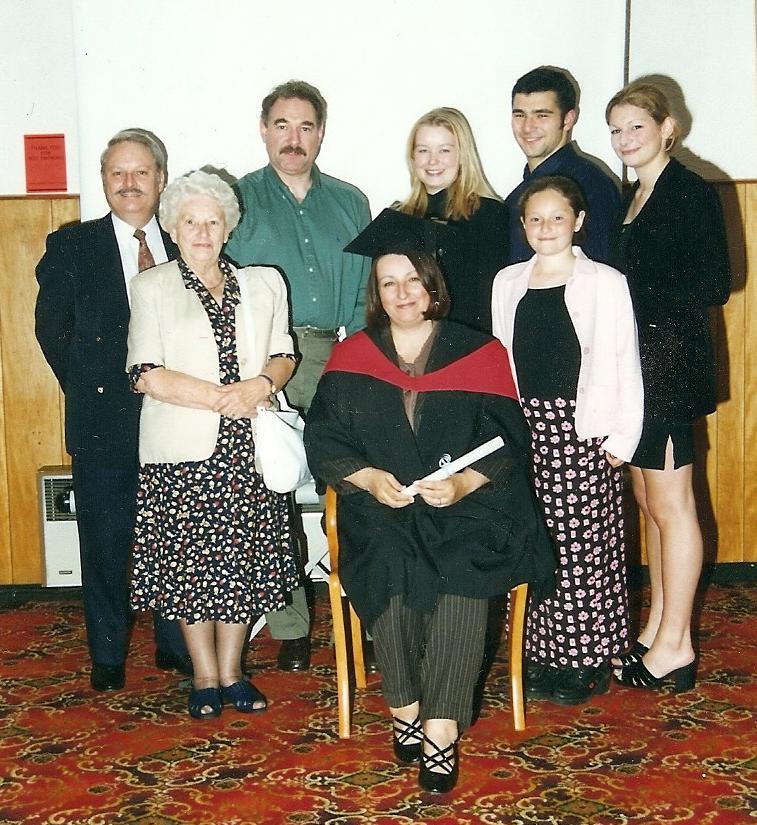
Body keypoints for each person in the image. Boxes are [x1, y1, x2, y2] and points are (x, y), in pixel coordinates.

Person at [304, 210, 555, 793]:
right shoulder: (352, 357)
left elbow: (509, 441)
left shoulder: (480, 351)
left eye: (412, 280)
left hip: (469, 507)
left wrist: (466, 483)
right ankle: (405, 705)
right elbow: (325, 436)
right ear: (377, 292)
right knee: (390, 561)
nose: (401, 293)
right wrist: (366, 478)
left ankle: (440, 730)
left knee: (463, 570)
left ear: (431, 284)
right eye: (388, 283)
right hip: (383, 507)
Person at [126, 170, 300, 718]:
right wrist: (221, 397)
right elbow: (145, 373)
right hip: (183, 450)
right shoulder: (151, 287)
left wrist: (261, 386)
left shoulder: (264, 283)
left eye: (213, 220)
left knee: (242, 564)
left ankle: (233, 672)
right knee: (190, 568)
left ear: (229, 227)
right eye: (190, 221)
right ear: (173, 229)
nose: (202, 231)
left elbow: (285, 353)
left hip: (249, 445)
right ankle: (203, 676)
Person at [35, 128, 190, 692]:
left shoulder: (184, 242)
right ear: (104, 182)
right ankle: (107, 653)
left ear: (160, 180)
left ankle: (174, 644)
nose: (129, 184)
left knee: (174, 533)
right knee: (104, 538)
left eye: (140, 172)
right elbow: (52, 332)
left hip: (175, 419)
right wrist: (91, 389)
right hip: (103, 420)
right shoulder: (72, 246)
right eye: (117, 174)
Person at [225, 79, 372, 672]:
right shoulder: (237, 199)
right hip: (267, 361)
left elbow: (366, 288)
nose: (294, 139)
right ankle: (290, 626)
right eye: (282, 126)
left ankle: (364, 609)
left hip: (341, 355)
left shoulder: (350, 201)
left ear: (321, 133)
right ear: (264, 130)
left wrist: (365, 360)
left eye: (306, 126)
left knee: (357, 482)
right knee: (275, 491)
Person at [492, 175, 643, 704]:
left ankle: (585, 656)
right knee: (533, 542)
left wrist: (623, 436)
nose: (545, 228)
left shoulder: (605, 281)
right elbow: (502, 361)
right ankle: (538, 651)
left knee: (583, 547)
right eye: (535, 218)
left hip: (582, 427)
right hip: (526, 428)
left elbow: (624, 360)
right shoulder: (508, 281)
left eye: (557, 217)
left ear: (579, 221)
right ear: (523, 225)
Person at [606, 82, 731, 692]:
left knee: (673, 505)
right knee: (651, 503)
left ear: (667, 127)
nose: (626, 140)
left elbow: (714, 281)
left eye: (636, 128)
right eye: (617, 131)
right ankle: (659, 627)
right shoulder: (636, 193)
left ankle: (677, 645)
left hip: (669, 369)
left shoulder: (688, 190)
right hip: (639, 367)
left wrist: (634, 304)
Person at [394, 107, 509, 333]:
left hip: (468, 343)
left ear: (462, 156)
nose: (433, 161)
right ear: (412, 157)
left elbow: (493, 299)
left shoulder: (490, 215)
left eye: (444, 150)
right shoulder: (398, 217)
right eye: (423, 150)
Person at [504, 66, 620, 265]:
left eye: (542, 115)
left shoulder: (591, 186)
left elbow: (596, 273)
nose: (527, 127)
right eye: (520, 115)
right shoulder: (515, 197)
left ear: (568, 119)